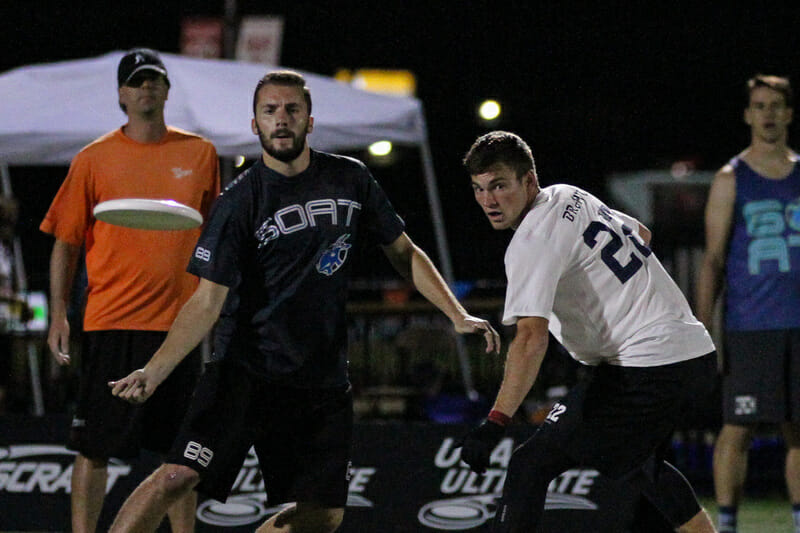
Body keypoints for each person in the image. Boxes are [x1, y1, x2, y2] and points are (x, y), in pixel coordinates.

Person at [104, 70, 500, 533]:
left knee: (323, 517)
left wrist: (456, 313)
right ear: (255, 125)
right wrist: (155, 370)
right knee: (176, 476)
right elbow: (205, 303)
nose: (282, 120)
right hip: (246, 372)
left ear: (310, 120)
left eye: (292, 109)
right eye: (269, 111)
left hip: (321, 380)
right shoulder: (239, 202)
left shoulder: (350, 179)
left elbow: (404, 252)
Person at [458, 131, 718, 532]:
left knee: (531, 462)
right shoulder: (568, 194)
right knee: (635, 464)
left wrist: (496, 422)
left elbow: (530, 338)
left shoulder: (530, 240)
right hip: (692, 352)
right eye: (479, 189)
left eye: (499, 186)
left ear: (529, 181)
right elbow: (642, 235)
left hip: (649, 365)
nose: (489, 201)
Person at [39, 48, 220, 533]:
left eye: (154, 81)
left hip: (178, 329)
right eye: (137, 82)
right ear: (121, 94)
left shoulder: (200, 154)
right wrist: (59, 314)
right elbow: (65, 243)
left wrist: (216, 305)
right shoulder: (92, 159)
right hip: (110, 322)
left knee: (180, 454)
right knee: (94, 446)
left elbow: (216, 238)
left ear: (166, 90)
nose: (146, 89)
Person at [696, 74, 800, 533]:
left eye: (776, 105)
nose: (768, 114)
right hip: (750, 325)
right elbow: (713, 261)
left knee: (799, 432)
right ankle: (730, 526)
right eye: (759, 106)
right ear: (747, 115)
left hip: (798, 326)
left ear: (789, 113)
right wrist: (702, 330)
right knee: (737, 429)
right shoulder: (729, 178)